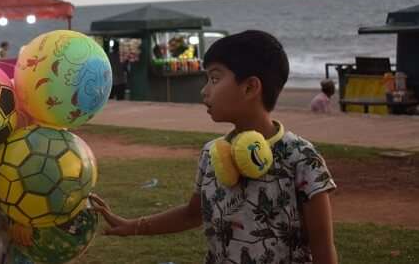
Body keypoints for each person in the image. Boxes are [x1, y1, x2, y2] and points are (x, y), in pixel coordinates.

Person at [91, 30, 338, 264]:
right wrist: (132, 225)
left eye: (215, 79)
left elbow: (323, 249)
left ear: (250, 87)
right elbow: (192, 214)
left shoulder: (302, 158)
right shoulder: (212, 153)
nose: (204, 90)